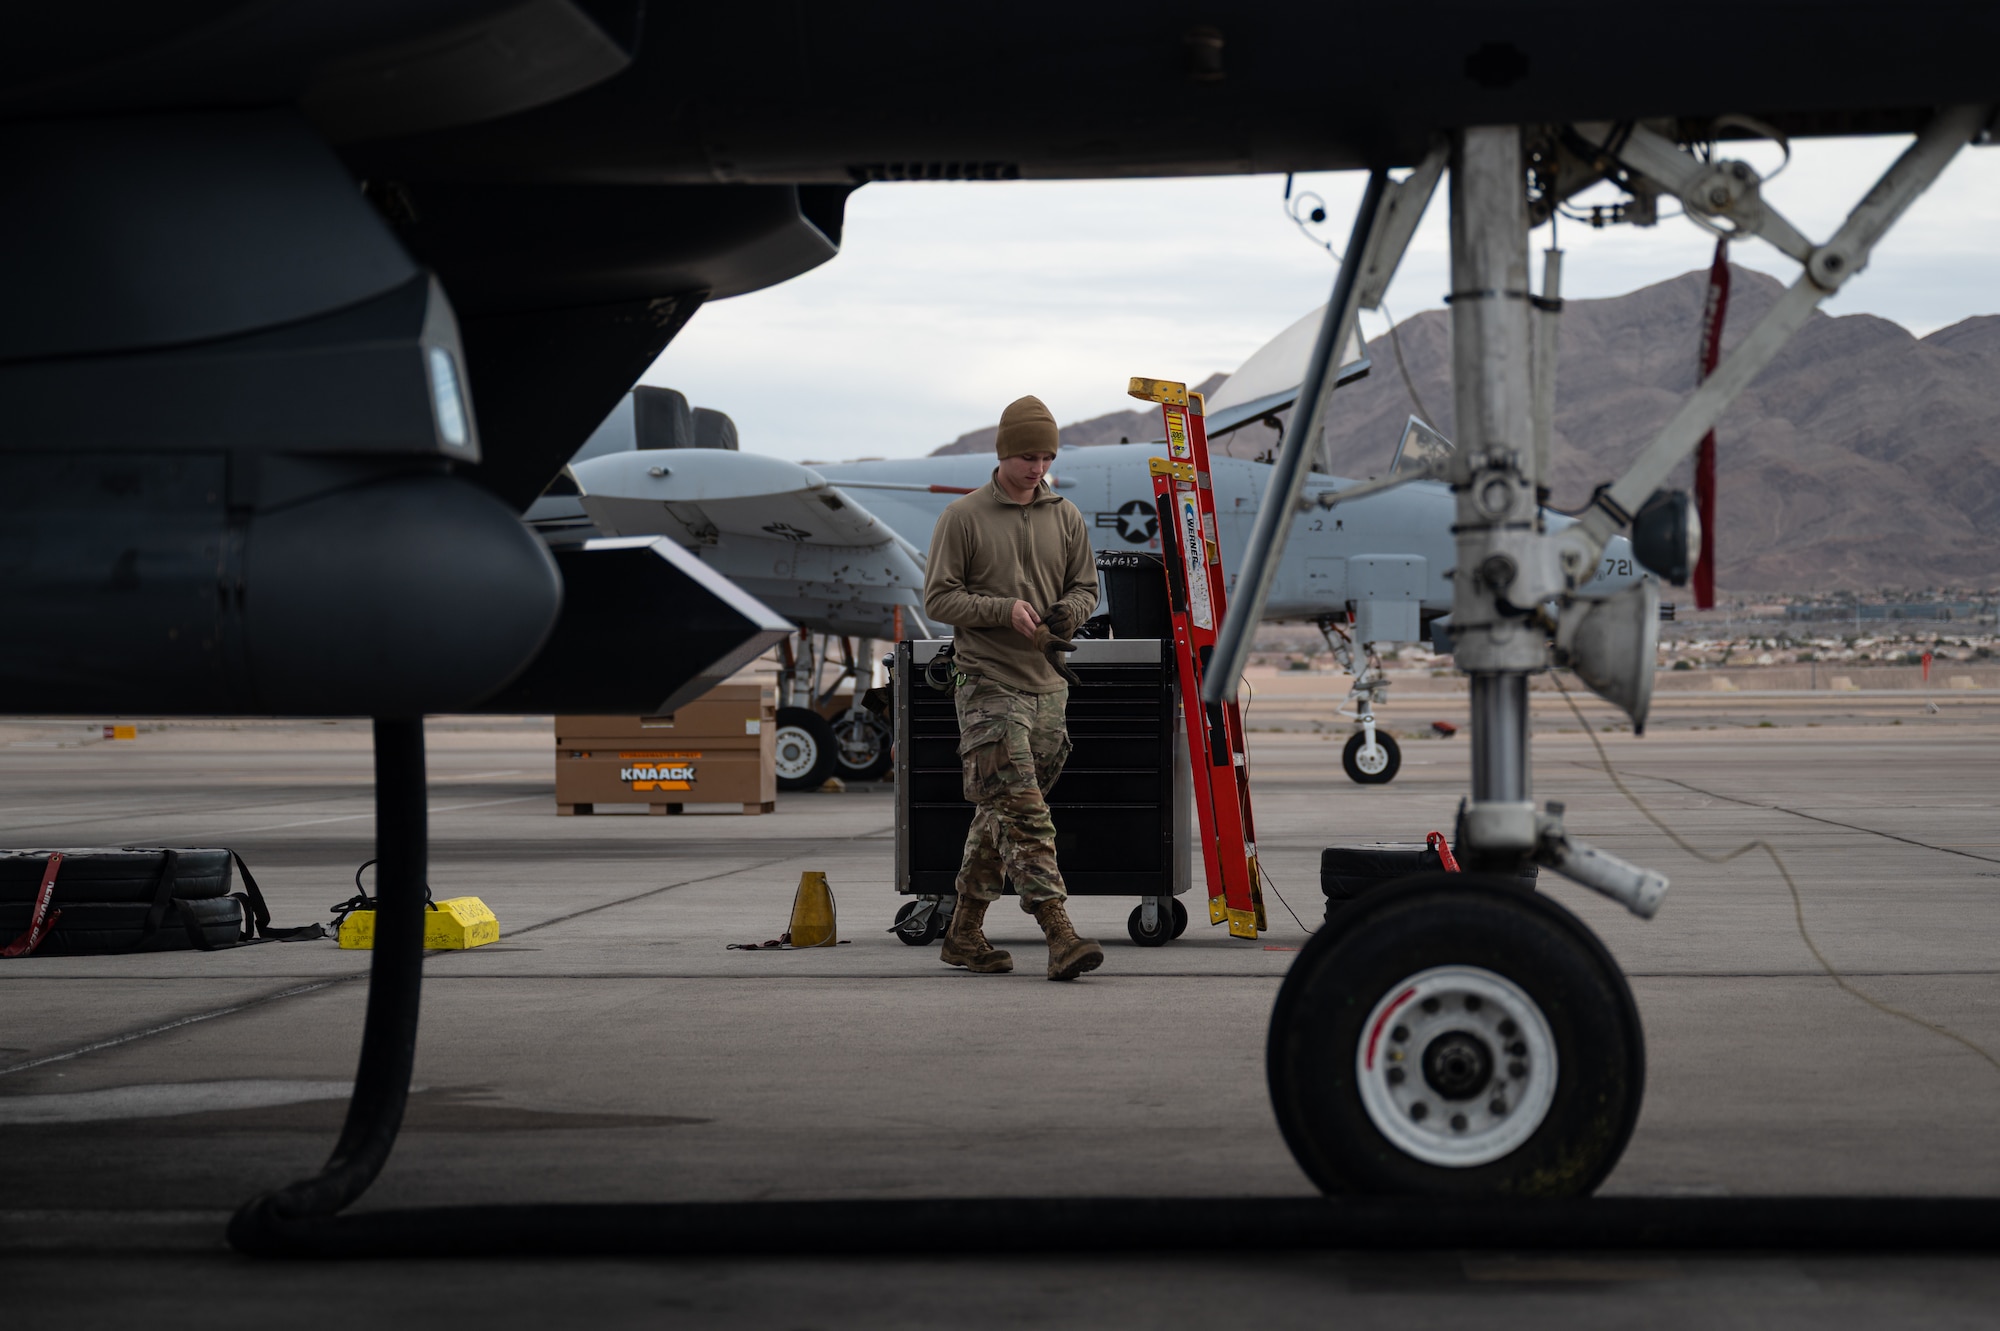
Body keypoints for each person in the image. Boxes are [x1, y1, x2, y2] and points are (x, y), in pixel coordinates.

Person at [922, 395, 1103, 981]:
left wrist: (1066, 614)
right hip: (987, 683)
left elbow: (1086, 589)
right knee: (1025, 815)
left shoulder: (1066, 516)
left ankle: (963, 934)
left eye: (1047, 456)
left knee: (1001, 813)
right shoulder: (964, 518)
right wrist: (1003, 610)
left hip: (1048, 688)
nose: (1038, 467)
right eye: (1028, 455)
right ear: (1004, 454)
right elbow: (939, 598)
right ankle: (1060, 934)